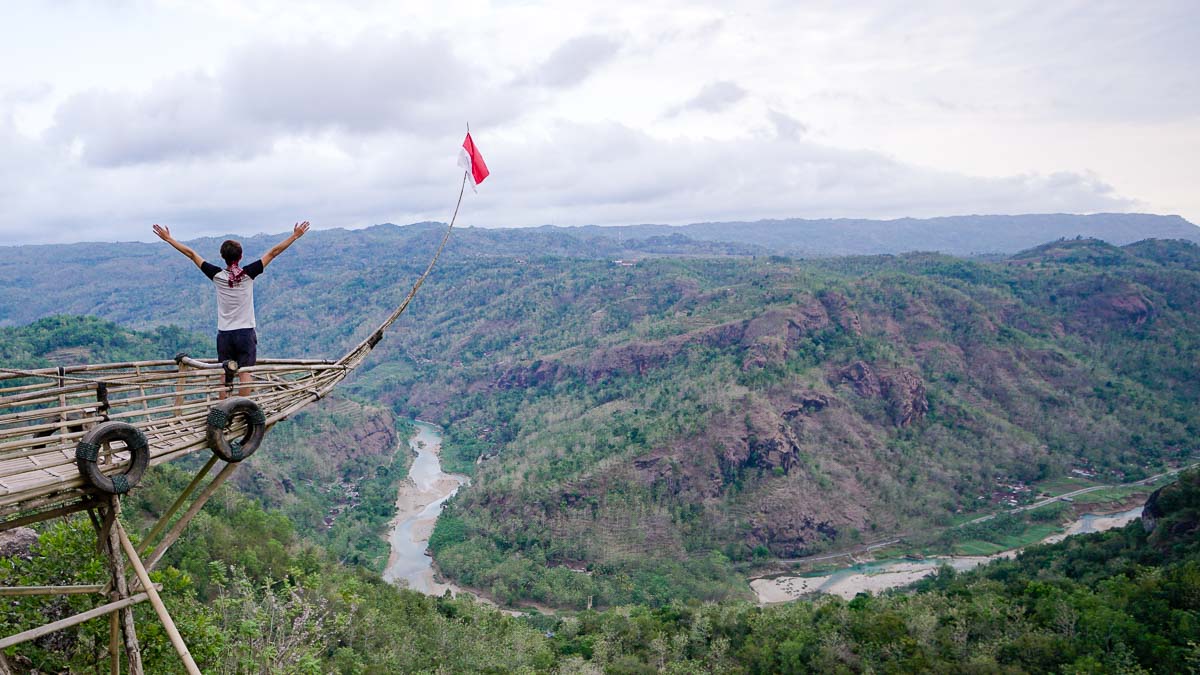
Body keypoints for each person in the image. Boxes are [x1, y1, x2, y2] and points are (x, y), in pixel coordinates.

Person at [153, 221, 310, 397]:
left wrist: (168, 239)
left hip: (225, 333)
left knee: (224, 373)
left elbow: (191, 254)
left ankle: (223, 407)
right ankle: (242, 408)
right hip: (245, 332)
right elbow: (273, 253)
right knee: (246, 372)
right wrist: (295, 236)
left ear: (222, 257)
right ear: (241, 257)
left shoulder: (217, 275)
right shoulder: (248, 274)